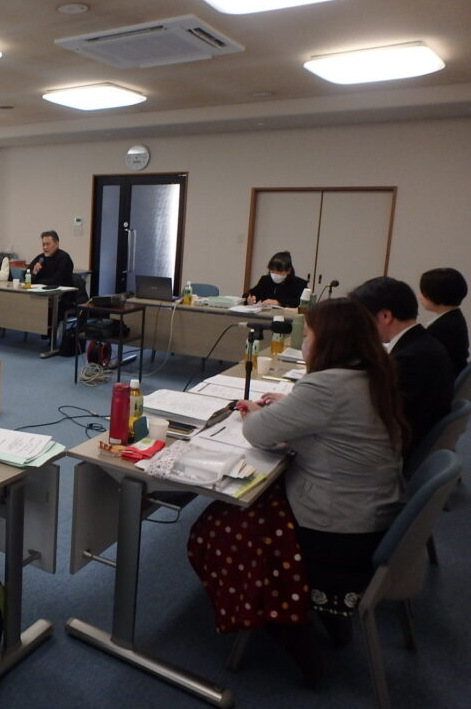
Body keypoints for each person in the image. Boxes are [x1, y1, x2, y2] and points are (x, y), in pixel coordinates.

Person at [190, 298, 405, 682]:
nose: (303, 343)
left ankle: (288, 628)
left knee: (218, 527)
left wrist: (256, 412)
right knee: (253, 500)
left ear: (330, 342)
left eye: (307, 336)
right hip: (372, 515)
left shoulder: (326, 386)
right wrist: (293, 405)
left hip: (337, 528)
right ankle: (327, 620)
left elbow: (258, 433)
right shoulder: (373, 373)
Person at [350, 276, 454, 461]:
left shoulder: (411, 359)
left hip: (396, 453)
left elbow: (378, 415)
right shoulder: (421, 344)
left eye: (364, 319)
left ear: (385, 316)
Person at [419, 267, 468, 375]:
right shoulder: (455, 317)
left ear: (436, 295)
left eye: (424, 293)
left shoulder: (441, 328)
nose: (420, 297)